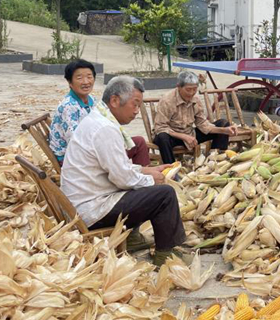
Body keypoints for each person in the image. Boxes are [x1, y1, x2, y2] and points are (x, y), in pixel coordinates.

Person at [61, 76, 190, 266]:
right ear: (114, 101)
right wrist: (152, 180)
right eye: (135, 105)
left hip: (84, 202)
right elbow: (122, 179)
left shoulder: (99, 118)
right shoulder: (105, 129)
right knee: (164, 194)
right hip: (91, 211)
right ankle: (166, 254)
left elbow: (117, 167)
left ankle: (133, 238)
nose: (137, 111)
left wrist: (146, 170)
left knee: (146, 186)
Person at [49, 59, 149, 166]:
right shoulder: (68, 106)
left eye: (89, 77)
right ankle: (138, 174)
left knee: (138, 142)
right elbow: (76, 143)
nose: (86, 82)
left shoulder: (92, 100)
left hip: (92, 148)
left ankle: (143, 174)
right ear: (70, 82)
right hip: (73, 158)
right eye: (79, 78)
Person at [153, 71, 238, 164]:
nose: (191, 93)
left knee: (223, 123)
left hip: (190, 134)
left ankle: (215, 160)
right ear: (179, 87)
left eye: (194, 89)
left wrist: (224, 130)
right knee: (162, 137)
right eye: (188, 89)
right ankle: (171, 168)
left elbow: (202, 123)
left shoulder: (196, 100)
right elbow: (160, 127)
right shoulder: (167, 101)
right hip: (172, 136)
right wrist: (184, 136)